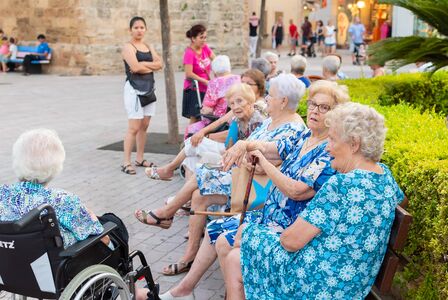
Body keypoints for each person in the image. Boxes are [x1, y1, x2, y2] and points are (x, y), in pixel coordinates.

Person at [223, 102, 404, 300]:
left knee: (237, 251)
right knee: (244, 244)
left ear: (354, 144)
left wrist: (250, 233)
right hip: (351, 285)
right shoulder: (386, 178)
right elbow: (399, 203)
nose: (327, 148)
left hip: (316, 285)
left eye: (333, 140)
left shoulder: (342, 185)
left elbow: (290, 241)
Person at [158, 74, 308, 299]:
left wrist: (248, 155)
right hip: (246, 186)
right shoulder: (271, 120)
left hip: (263, 198)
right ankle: (184, 287)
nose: (266, 98)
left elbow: (268, 161)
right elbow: (251, 155)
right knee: (207, 211)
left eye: (271, 95)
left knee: (218, 226)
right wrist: (246, 156)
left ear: (284, 101)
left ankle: (167, 216)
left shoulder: (294, 128)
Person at [0, 128, 153, 300]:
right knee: (112, 224)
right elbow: (101, 238)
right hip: (60, 272)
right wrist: (94, 220)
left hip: (15, 270)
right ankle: (135, 290)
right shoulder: (62, 201)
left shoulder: (3, 194)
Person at [121, 16, 163, 175]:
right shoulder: (128, 47)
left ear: (145, 29)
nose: (139, 30)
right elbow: (134, 67)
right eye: (136, 27)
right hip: (134, 89)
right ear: (130, 30)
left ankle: (139, 158)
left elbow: (160, 64)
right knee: (134, 127)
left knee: (144, 125)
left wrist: (144, 65)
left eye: (142, 27)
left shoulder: (147, 46)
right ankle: (126, 162)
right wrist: (150, 66)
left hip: (149, 89)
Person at [184, 55, 241, 139]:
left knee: (190, 129)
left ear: (214, 71)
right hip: (236, 118)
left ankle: (188, 150)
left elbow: (207, 110)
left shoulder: (214, 83)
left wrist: (202, 110)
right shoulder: (239, 79)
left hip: (218, 122)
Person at [182, 24, 215, 124]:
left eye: (205, 37)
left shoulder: (205, 48)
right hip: (194, 89)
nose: (204, 40)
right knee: (195, 117)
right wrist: (204, 81)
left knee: (206, 115)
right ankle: (188, 138)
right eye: (201, 37)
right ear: (193, 38)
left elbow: (215, 59)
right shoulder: (189, 53)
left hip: (206, 87)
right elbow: (188, 73)